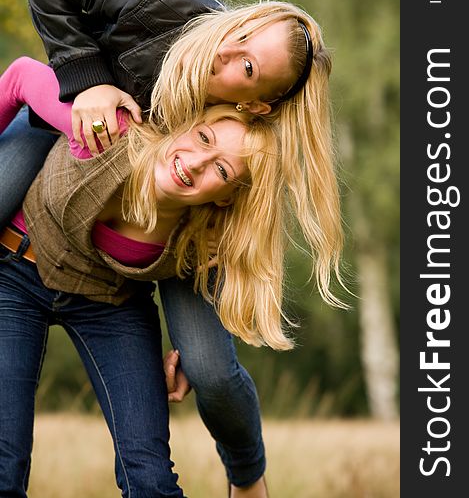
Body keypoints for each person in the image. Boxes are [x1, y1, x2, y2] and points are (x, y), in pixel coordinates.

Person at [0, 0, 345, 497]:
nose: (227, 49)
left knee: (208, 369)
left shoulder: (221, 158)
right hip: (72, 120)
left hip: (112, 291)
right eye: (244, 33)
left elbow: (237, 233)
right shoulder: (163, 6)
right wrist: (86, 78)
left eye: (249, 68)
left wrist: (192, 336)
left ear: (259, 105)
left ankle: (249, 478)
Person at [0, 56, 287, 497]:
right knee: (4, 465)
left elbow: (208, 334)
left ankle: (249, 479)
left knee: (150, 479)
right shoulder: (112, 131)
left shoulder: (202, 238)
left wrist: (189, 353)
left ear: (228, 197)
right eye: (204, 138)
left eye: (222, 170)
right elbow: (20, 73)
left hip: (109, 304)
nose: (195, 163)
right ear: (187, 125)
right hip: (15, 272)